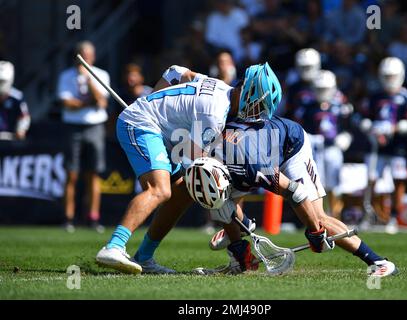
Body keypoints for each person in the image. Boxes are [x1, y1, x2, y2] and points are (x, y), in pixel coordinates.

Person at [95, 62, 282, 274]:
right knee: (160, 189)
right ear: (247, 92)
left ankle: (144, 257)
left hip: (157, 129)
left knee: (184, 191)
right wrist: (236, 215)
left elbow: (175, 71)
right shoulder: (214, 115)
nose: (257, 113)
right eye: (259, 105)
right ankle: (114, 247)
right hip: (140, 124)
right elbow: (196, 167)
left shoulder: (220, 87)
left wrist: (152, 99)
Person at [186, 115, 397, 277]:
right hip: (245, 151)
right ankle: (240, 256)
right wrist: (237, 241)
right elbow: (220, 197)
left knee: (318, 216)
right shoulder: (203, 160)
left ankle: (378, 262)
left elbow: (295, 192)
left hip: (290, 144)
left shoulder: (253, 166)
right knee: (222, 204)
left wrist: (316, 232)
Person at [57, 41, 110, 233]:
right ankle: (68, 218)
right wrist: (87, 103)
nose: (86, 59)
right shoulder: (66, 76)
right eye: (82, 55)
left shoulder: (101, 74)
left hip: (95, 126)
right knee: (71, 173)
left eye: (89, 55)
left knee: (93, 173)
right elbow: (66, 103)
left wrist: (88, 80)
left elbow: (101, 102)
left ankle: (93, 217)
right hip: (73, 127)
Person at [360, 57, 407, 234]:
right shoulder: (375, 96)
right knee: (371, 180)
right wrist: (369, 126)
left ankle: (393, 216)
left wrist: (398, 127)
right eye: (387, 76)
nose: (390, 79)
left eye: (393, 76)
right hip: (376, 145)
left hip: (397, 146)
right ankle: (370, 214)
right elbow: (362, 117)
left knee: (398, 181)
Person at [293, 70, 353, 217]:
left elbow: (348, 126)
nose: (323, 92)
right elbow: (299, 128)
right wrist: (311, 138)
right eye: (320, 89)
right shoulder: (307, 108)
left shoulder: (340, 107)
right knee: (315, 184)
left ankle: (335, 214)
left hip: (333, 149)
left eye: (325, 89)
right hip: (313, 150)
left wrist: (346, 137)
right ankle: (318, 215)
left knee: (334, 183)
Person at [285, 48, 321, 118]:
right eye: (303, 67)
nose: (306, 70)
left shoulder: (325, 85)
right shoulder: (293, 88)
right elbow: (289, 111)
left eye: (309, 67)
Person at [0, 61, 30, 141]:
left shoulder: (17, 97)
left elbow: (24, 116)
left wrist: (20, 130)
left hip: (10, 140)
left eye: (2, 82)